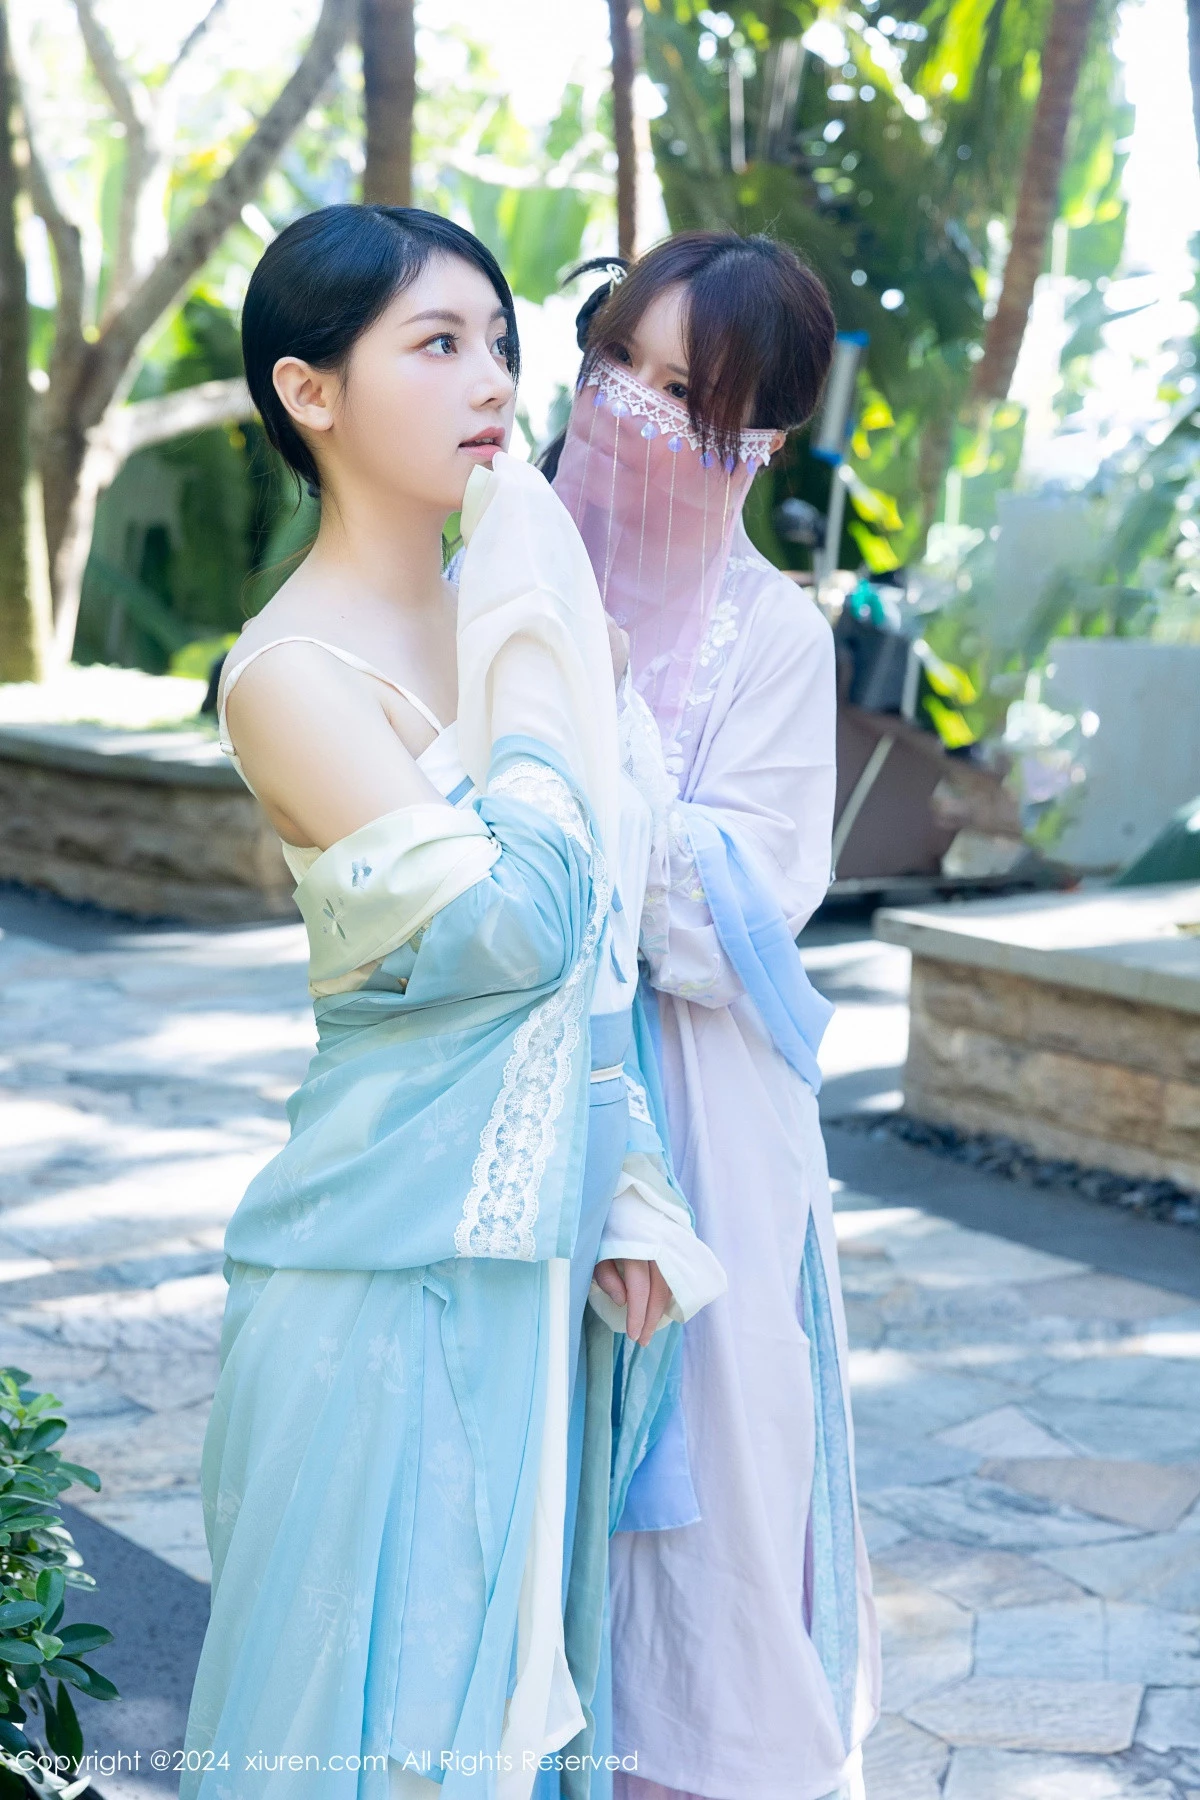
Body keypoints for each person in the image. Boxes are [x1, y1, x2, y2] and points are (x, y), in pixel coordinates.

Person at [179, 204, 724, 1800]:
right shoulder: (292, 676)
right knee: (381, 1726)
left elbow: (601, 949)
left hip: (533, 1248)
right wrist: (541, 653)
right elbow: (517, 926)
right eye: (436, 344)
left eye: (499, 340)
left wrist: (626, 1177)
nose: (493, 380)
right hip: (378, 1271)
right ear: (310, 392)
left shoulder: (510, 605)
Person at [545, 233, 882, 1800]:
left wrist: (598, 716)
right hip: (509, 1091)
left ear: (762, 438)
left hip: (703, 1119)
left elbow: (726, 918)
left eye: (688, 396)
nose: (632, 409)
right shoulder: (501, 572)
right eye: (624, 361)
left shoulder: (773, 634)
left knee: (713, 1495)